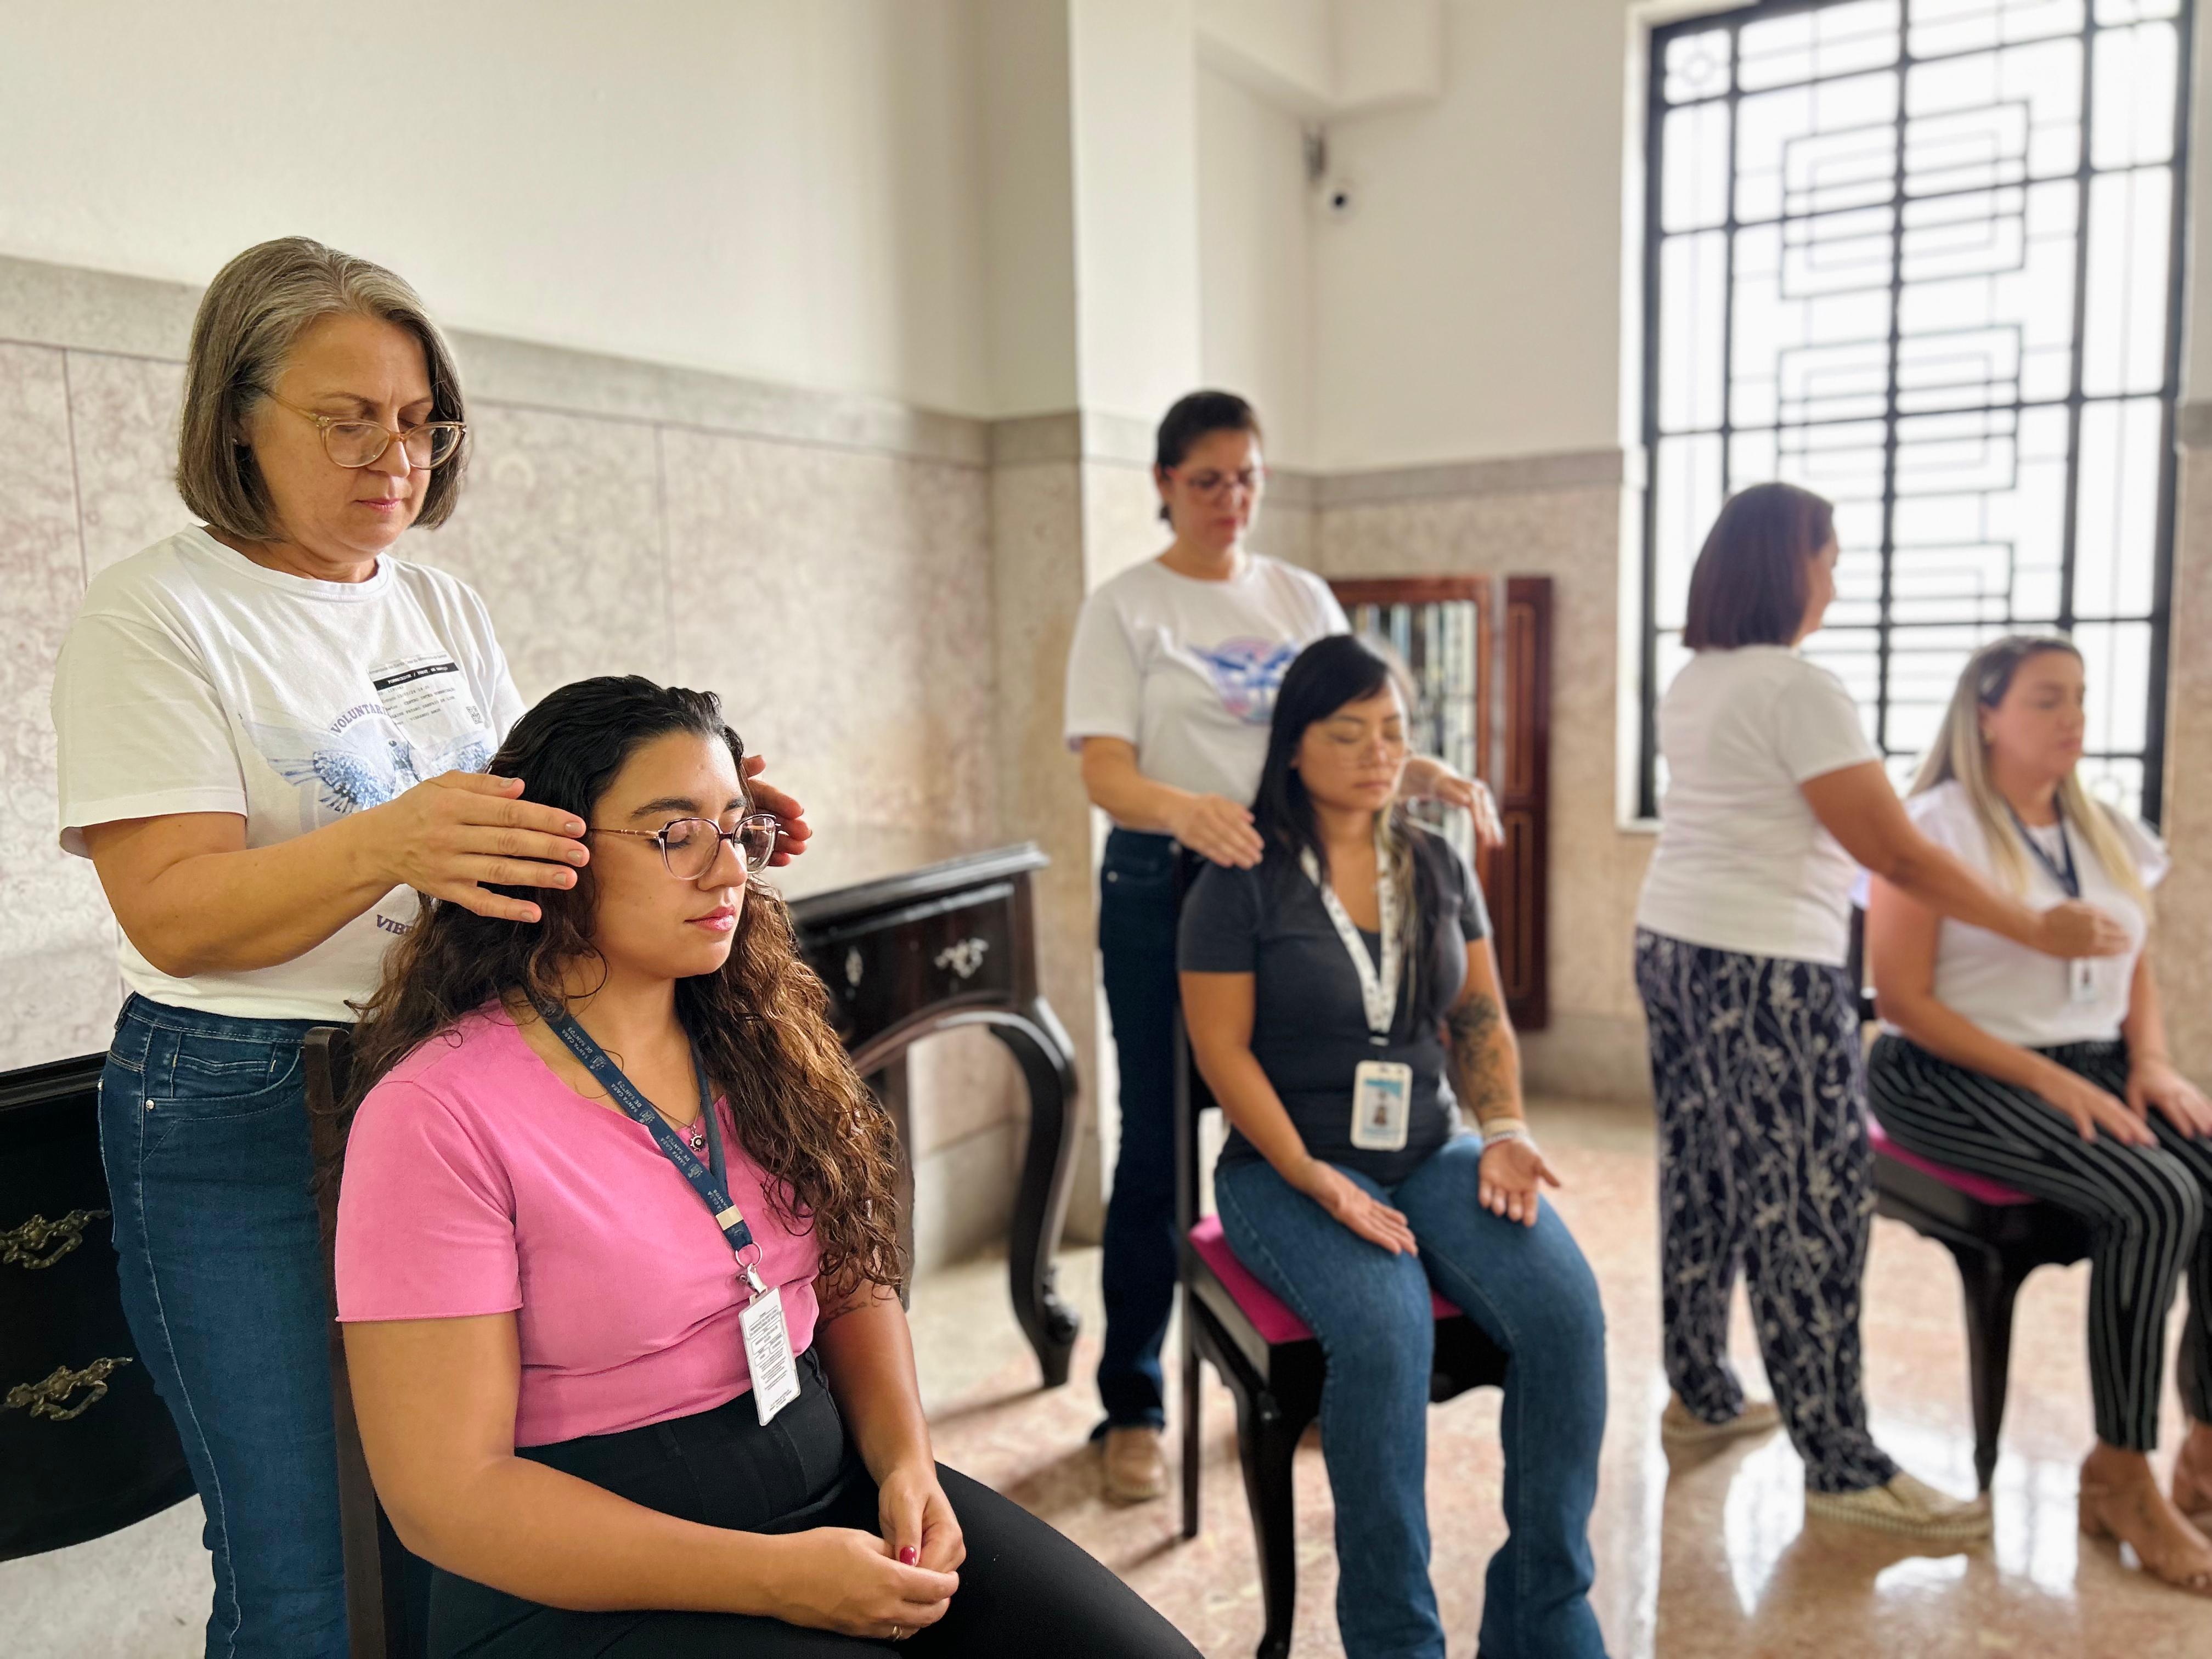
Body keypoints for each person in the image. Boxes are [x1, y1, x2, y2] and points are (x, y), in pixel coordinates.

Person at [47, 237, 808, 1657]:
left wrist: (690, 816)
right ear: (236, 419)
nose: (394, 457)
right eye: (348, 420)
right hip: (248, 1104)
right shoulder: (155, 616)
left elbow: (521, 833)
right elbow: (175, 914)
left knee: (447, 1527)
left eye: (419, 422)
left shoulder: (438, 606)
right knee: (307, 1571)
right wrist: (390, 842)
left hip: (448, 1077)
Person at [332, 676, 1200, 1657]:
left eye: (737, 831)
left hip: (827, 1484)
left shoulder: (755, 1037)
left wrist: (906, 1462)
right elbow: (448, 1499)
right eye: (676, 835)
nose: (726, 872)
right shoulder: (435, 1115)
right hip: (587, 1585)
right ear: (553, 850)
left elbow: (852, 1278)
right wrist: (780, 1580)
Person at [1632, 482, 2129, 1538]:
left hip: (1674, 943)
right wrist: (2034, 927)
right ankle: (1844, 1465)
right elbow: (1895, 853)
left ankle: (1701, 1395)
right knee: (1809, 1205)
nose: (1836, 579)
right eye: (1830, 558)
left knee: (1704, 1176)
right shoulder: (1797, 688)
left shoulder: (1698, 678)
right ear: (1789, 565)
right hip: (1768, 969)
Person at [1063, 388, 1498, 1502]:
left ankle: (1312, 1353)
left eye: (1247, 478)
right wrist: (1188, 812)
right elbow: (1104, 770)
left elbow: (1346, 720)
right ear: (1164, 485)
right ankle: (1133, 1402)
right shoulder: (1127, 605)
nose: (1231, 499)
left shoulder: (1299, 593)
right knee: (1159, 1141)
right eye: (1207, 480)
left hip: (1302, 877)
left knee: (1312, 1114)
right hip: (1171, 881)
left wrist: (1420, 772)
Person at [1180, 636, 1608, 1658]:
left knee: (1566, 1315)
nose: (1379, 754)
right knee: (1385, 1330)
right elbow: (1222, 1051)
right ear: (1294, 746)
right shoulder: (1241, 879)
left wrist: (1504, 1131)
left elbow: (1478, 1016)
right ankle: (1394, 1640)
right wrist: (1312, 1176)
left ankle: (1545, 1614)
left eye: (1394, 732)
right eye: (1349, 733)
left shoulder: (1435, 861)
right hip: (1284, 1167)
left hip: (1430, 1150)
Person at [1865, 635, 2212, 1593]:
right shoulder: (1930, 828)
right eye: (2048, 700)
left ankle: (2205, 1450)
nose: (2075, 719)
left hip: (2093, 1058)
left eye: (2081, 698)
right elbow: (1902, 1000)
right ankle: (2121, 1474)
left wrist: (2152, 1061)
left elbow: (2136, 961)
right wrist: (2045, 1081)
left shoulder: (2104, 827)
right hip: (1951, 1071)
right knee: (2156, 1198)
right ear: (1986, 714)